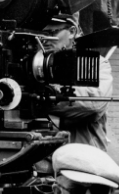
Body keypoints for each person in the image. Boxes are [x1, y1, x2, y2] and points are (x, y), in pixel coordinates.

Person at [43, 14, 113, 150]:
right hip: (42, 156)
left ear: (72, 32)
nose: (45, 39)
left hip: (82, 157)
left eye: (52, 32)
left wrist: (44, 97)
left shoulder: (95, 64)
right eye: (43, 34)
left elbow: (94, 104)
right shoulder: (33, 66)